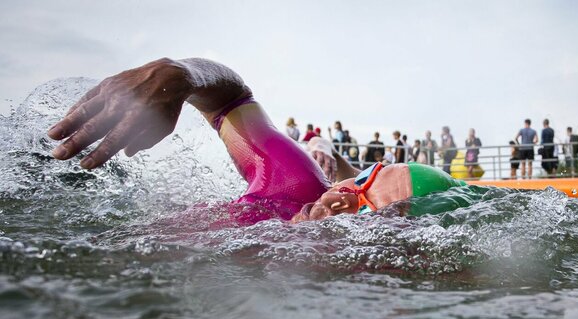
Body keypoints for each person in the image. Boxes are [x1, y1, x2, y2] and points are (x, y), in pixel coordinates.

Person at [47, 58, 476, 224]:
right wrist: (179, 76)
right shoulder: (292, 187)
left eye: (371, 207)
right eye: (359, 183)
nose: (345, 199)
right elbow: (231, 97)